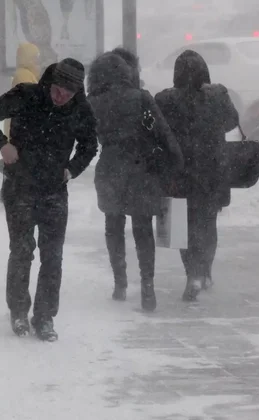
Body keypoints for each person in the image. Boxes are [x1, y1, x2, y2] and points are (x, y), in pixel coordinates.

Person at [0, 59, 98, 341]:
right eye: (57, 90)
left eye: (67, 94)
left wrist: (72, 169)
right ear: (49, 82)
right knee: (21, 251)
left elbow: (90, 144)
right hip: (19, 186)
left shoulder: (81, 109)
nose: (60, 98)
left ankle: (45, 317)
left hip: (55, 189)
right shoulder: (26, 95)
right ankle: (18, 311)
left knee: (52, 256)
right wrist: (2, 145)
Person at [87, 51, 183, 310]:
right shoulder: (140, 98)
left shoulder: (92, 102)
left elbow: (84, 138)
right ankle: (148, 287)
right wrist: (175, 163)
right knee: (143, 230)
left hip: (110, 170)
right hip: (141, 170)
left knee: (113, 226)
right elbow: (162, 133)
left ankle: (120, 283)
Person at [154, 50, 238, 302]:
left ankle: (192, 273)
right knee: (207, 222)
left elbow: (153, 128)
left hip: (178, 172)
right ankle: (205, 271)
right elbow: (232, 122)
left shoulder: (164, 100)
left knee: (181, 226)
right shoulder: (218, 95)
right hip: (212, 171)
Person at [0, 42, 41, 203]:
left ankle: (9, 192)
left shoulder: (27, 74)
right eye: (35, 58)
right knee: (19, 163)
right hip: (22, 128)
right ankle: (9, 193)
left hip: (20, 126)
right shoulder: (24, 76)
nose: (38, 61)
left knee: (18, 162)